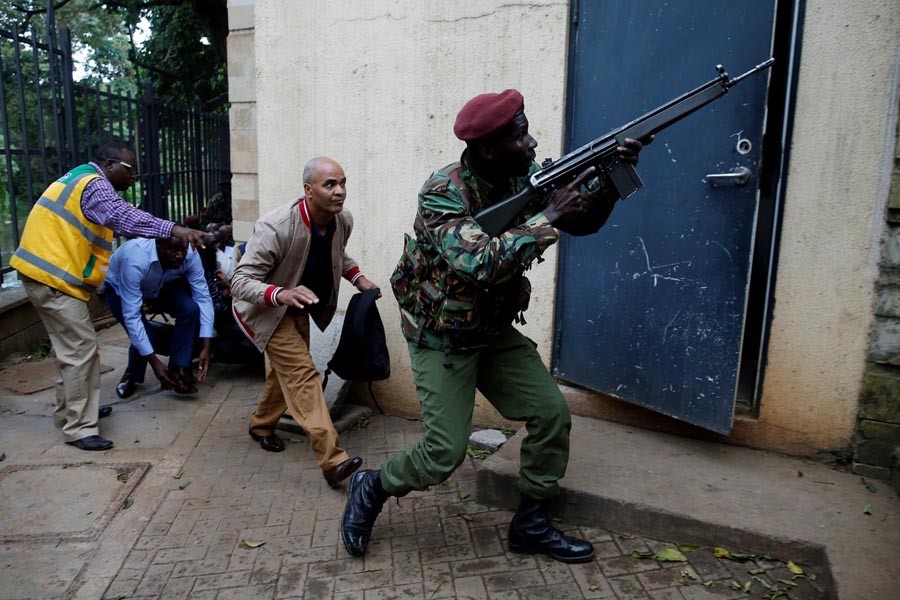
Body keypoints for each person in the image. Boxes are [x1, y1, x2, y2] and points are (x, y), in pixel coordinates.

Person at [340, 90, 649, 562]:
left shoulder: (520, 178)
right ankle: (372, 487)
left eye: (527, 131)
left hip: (491, 331)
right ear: (487, 148)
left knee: (551, 414)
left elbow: (580, 222)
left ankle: (531, 523)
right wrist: (548, 217)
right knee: (444, 454)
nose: (531, 142)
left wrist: (607, 179)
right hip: (440, 336)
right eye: (520, 135)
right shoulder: (443, 191)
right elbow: (475, 262)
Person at [10, 141, 205, 451]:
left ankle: (73, 410)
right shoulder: (94, 184)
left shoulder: (81, 180)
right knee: (81, 350)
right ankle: (79, 427)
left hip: (46, 276)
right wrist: (171, 229)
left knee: (72, 350)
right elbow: (123, 217)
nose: (134, 177)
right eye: (130, 170)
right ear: (111, 165)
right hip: (53, 279)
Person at [231, 157, 379, 487]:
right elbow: (240, 279)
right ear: (308, 190)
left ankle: (261, 425)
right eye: (330, 184)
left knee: (283, 376)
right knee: (303, 375)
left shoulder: (342, 220)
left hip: (299, 307)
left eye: (343, 182)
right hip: (266, 309)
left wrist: (359, 279)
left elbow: (338, 254)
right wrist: (280, 294)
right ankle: (332, 459)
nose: (340, 191)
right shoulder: (276, 226)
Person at [103, 236, 214, 398]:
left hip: (160, 284)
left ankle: (177, 369)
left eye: (182, 250)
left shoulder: (190, 253)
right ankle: (132, 374)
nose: (180, 255)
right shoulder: (135, 258)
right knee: (143, 331)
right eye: (173, 250)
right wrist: (155, 364)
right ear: (159, 246)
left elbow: (203, 297)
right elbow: (132, 317)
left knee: (190, 309)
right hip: (119, 289)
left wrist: (206, 345)